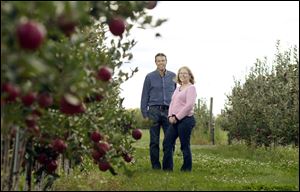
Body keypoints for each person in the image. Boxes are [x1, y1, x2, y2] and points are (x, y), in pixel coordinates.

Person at [140, 53, 176, 170]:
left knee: (169, 140)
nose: (161, 62)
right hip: (153, 111)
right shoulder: (149, 77)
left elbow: (177, 95)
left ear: (166, 61)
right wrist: (145, 114)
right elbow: (144, 96)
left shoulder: (173, 76)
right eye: (159, 61)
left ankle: (168, 165)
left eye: (163, 60)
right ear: (155, 63)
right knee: (154, 141)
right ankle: (155, 166)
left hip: (169, 111)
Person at [162, 66, 197, 172]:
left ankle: (186, 169)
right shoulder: (178, 88)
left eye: (185, 73)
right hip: (174, 120)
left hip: (186, 120)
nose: (182, 75)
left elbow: (189, 105)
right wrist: (170, 116)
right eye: (180, 73)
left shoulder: (191, 88)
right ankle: (167, 168)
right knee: (167, 142)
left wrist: (177, 117)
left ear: (190, 75)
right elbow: (172, 103)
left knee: (184, 145)